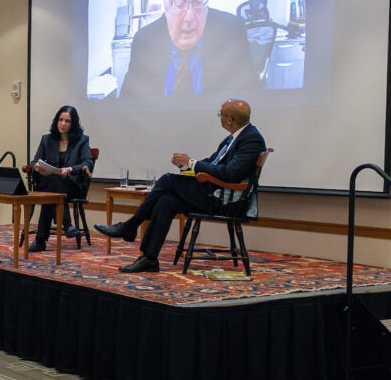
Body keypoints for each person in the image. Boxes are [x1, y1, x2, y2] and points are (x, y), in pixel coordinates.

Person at [96, 97, 267, 273]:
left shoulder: (251, 140)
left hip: (226, 201)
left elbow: (231, 173)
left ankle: (130, 227)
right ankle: (149, 259)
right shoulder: (233, 138)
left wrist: (192, 162)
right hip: (214, 193)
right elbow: (211, 162)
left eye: (220, 114)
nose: (220, 118)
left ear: (229, 120)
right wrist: (186, 166)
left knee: (167, 180)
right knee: (166, 202)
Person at [121, 0, 257, 97]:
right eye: (180, 2)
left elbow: (252, 99)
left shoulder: (231, 32)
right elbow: (128, 105)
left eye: (199, 0)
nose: (190, 17)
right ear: (167, 6)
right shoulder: (144, 41)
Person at [28, 104, 94, 250]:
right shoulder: (47, 140)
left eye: (67, 121)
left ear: (74, 123)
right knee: (53, 180)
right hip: (47, 183)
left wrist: (71, 168)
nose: (63, 124)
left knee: (52, 189)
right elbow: (34, 161)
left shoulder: (82, 140)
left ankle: (40, 240)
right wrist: (36, 167)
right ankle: (67, 224)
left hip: (70, 186)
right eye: (60, 120)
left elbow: (87, 162)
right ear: (56, 121)